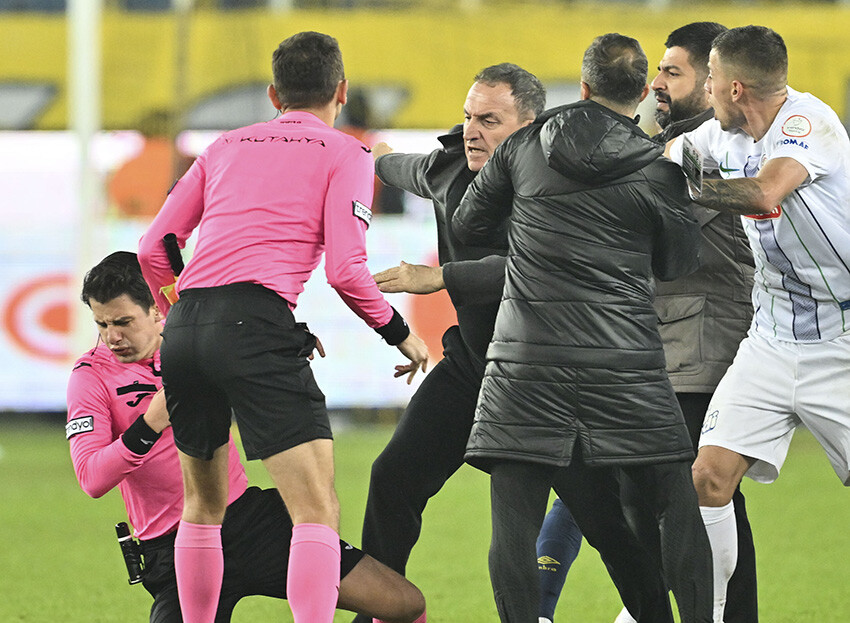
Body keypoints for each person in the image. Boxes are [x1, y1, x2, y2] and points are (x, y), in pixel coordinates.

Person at [138, 32, 429, 623]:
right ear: (340, 92)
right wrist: (400, 332)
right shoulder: (347, 153)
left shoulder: (223, 146)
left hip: (188, 323)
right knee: (315, 509)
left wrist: (189, 316)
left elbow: (152, 247)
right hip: (256, 324)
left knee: (203, 505)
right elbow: (347, 271)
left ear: (274, 94)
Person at [453, 33, 714, 623]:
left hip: (525, 363)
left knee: (513, 518)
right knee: (676, 505)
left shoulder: (523, 147)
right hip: (627, 364)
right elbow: (677, 265)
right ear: (644, 89)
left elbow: (469, 224)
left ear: (585, 84)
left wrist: (529, 231)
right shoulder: (658, 167)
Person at [536, 22, 759, 623]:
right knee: (672, 497)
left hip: (701, 343)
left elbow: (663, 243)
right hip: (663, 345)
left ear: (715, 85)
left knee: (698, 495)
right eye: (657, 70)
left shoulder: (707, 151)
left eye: (675, 72)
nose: (657, 82)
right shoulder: (666, 150)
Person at [66, 252, 426, 623]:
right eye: (102, 324)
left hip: (249, 523)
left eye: (123, 322)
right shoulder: (91, 376)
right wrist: (150, 423)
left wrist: (284, 346)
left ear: (158, 310)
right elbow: (92, 478)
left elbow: (248, 342)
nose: (113, 337)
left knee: (404, 604)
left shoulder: (197, 340)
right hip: (172, 549)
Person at [349, 65, 582, 623]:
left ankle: (654, 608)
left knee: (603, 518)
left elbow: (537, 267)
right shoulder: (446, 168)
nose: (472, 131)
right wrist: (339, 140)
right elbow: (383, 158)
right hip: (472, 367)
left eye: (489, 121)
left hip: (545, 380)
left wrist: (442, 278)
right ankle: (376, 611)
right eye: (468, 117)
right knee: (393, 479)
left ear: (529, 125)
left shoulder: (559, 183)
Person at [666, 25, 850, 623]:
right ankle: (710, 615)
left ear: (735, 86)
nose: (708, 89)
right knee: (709, 478)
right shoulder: (720, 133)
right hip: (770, 340)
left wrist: (692, 188)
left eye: (711, 78)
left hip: (842, 342)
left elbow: (767, 194)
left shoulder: (807, 122)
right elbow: (661, 157)